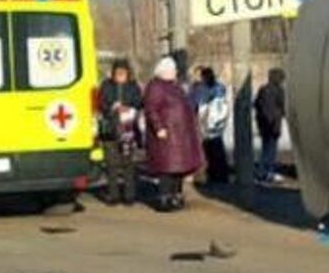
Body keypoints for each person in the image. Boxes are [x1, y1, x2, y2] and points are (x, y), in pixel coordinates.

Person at [141, 56, 203, 212]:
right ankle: (165, 198)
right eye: (173, 69)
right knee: (167, 169)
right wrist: (159, 128)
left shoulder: (175, 87)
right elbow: (151, 109)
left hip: (180, 135)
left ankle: (176, 196)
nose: (175, 72)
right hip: (167, 136)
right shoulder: (155, 87)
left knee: (178, 169)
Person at [96, 60, 143, 206]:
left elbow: (139, 102)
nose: (120, 76)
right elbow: (101, 103)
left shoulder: (133, 86)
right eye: (117, 73)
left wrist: (128, 107)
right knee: (111, 164)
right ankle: (113, 194)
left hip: (127, 130)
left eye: (123, 73)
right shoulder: (106, 85)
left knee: (128, 163)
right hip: (110, 130)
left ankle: (129, 195)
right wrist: (112, 107)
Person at [190, 66, 232, 185]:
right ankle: (220, 175)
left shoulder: (201, 90)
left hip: (205, 123)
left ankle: (211, 174)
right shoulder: (219, 88)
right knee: (217, 149)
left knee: (207, 150)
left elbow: (195, 103)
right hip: (216, 124)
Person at [254, 67, 288, 184]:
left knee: (265, 149)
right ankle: (269, 173)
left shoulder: (263, 89)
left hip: (263, 124)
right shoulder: (279, 90)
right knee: (271, 150)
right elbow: (284, 107)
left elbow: (256, 105)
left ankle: (261, 172)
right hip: (274, 124)